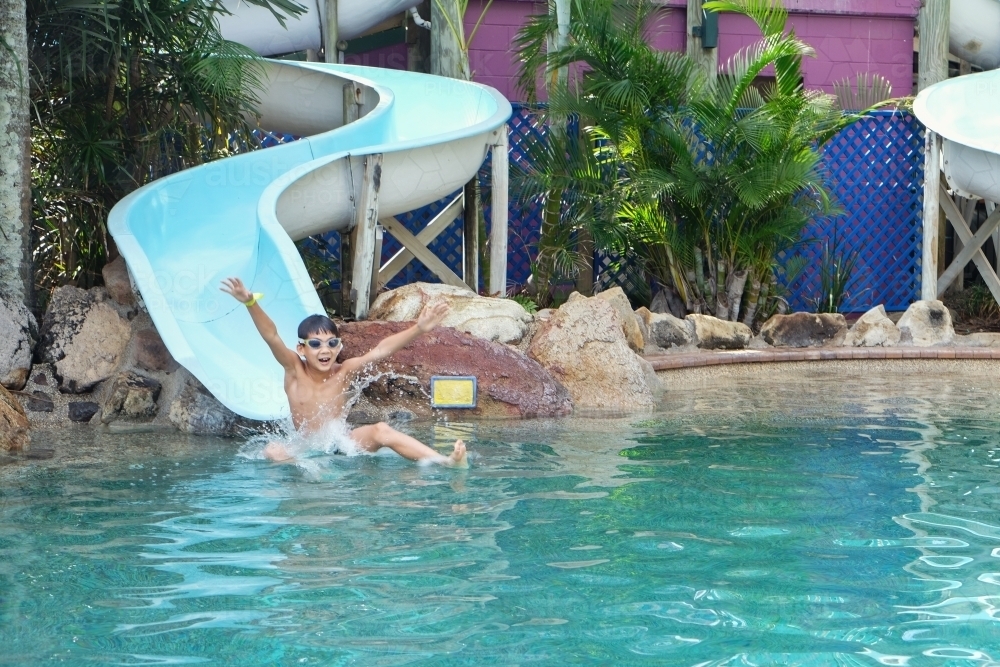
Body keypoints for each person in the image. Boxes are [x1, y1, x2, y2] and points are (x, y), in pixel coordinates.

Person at [220, 277, 467, 467]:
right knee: (273, 451)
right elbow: (271, 336)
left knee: (381, 429)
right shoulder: (294, 369)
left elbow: (381, 350)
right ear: (302, 348)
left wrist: (419, 328)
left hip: (341, 442)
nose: (324, 350)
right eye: (315, 344)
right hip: (306, 448)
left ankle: (444, 461)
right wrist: (250, 302)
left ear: (339, 347)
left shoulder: (344, 370)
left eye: (331, 343)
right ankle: (315, 471)